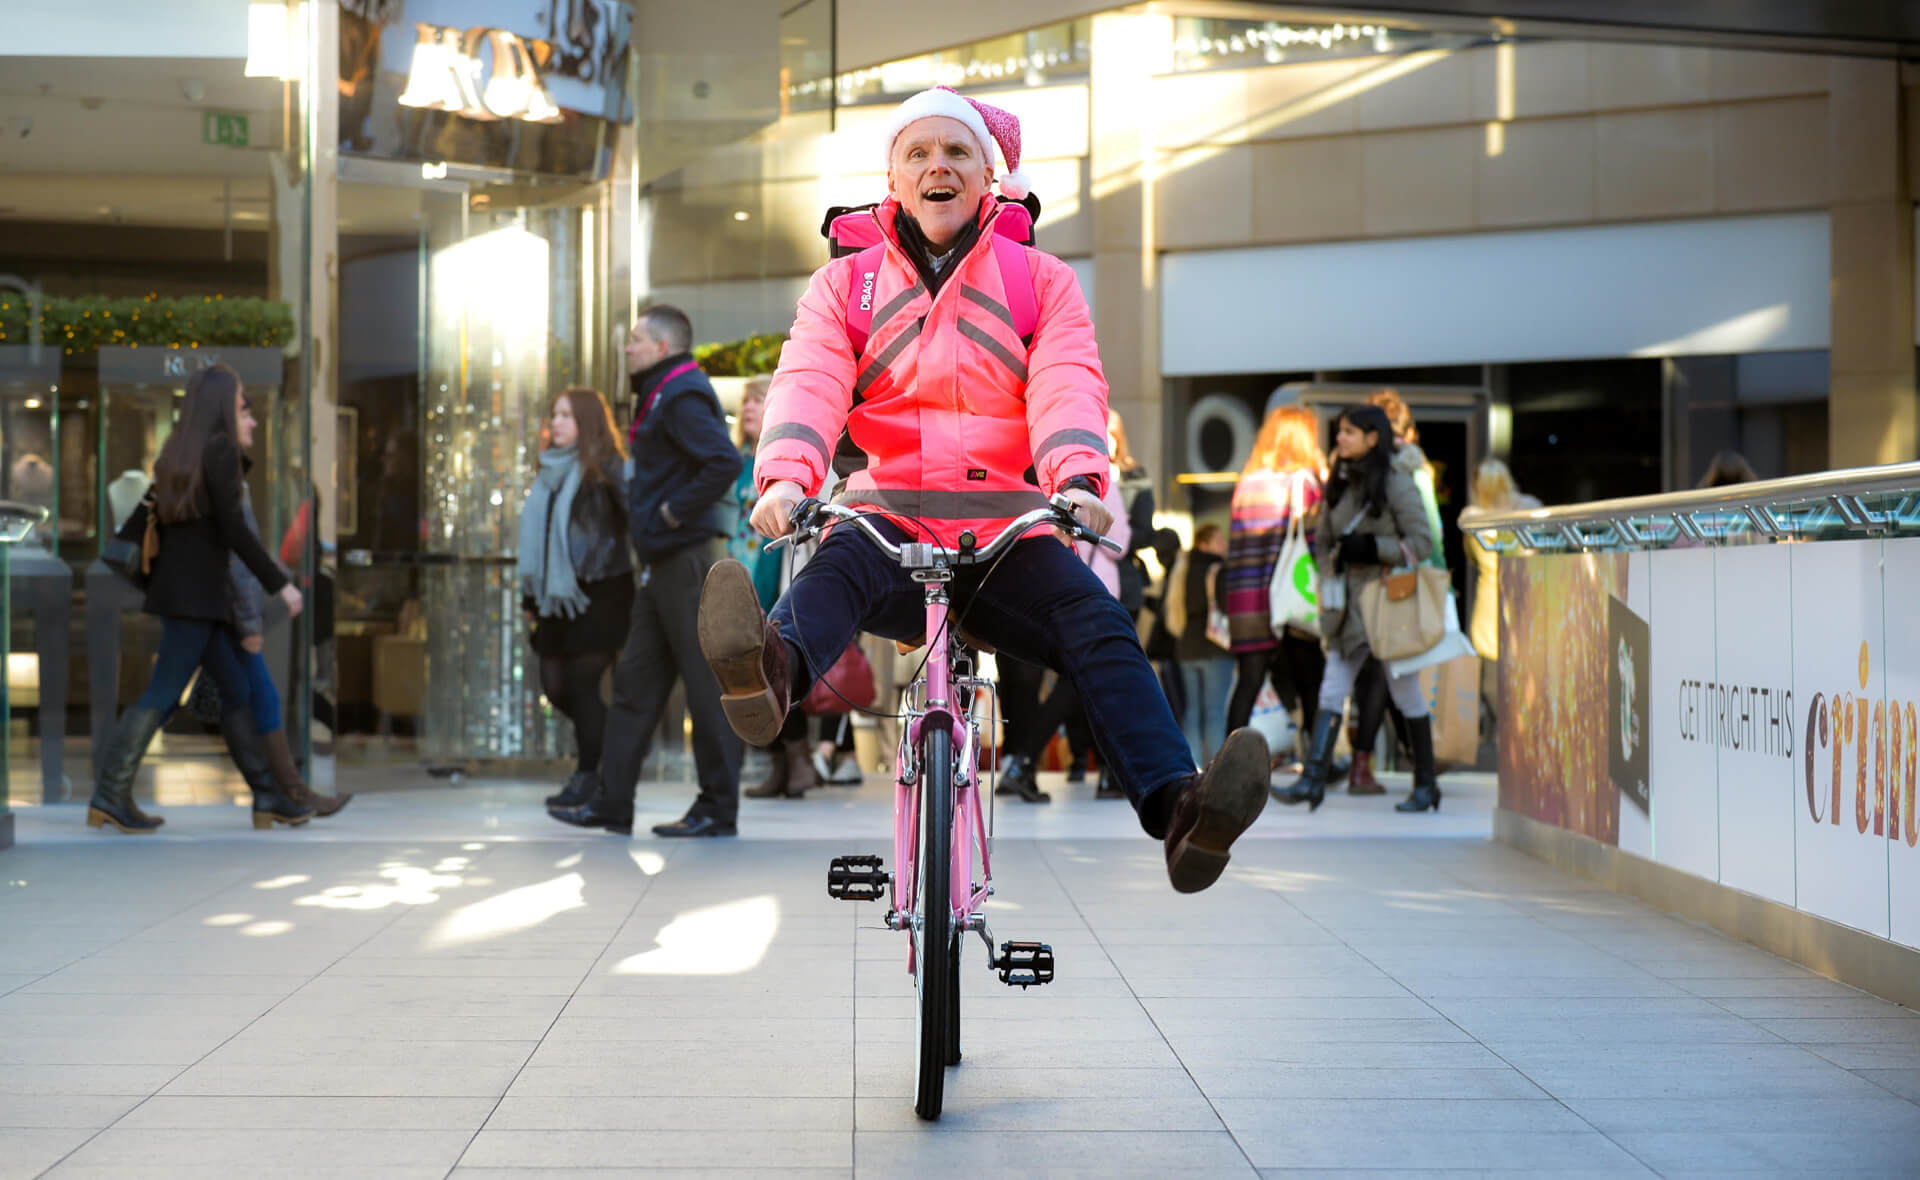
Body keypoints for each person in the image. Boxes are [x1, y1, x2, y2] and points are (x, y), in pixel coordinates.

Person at [694, 86, 1271, 893]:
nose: (939, 166)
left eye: (958, 152)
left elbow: (1067, 381)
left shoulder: (1040, 280)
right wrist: (788, 478)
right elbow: (809, 381)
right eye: (919, 154)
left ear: (988, 177)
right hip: (889, 517)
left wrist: (1079, 479)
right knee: (834, 568)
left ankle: (1183, 814)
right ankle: (768, 676)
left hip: (1006, 533)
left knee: (1098, 626)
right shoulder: (845, 287)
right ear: (891, 181)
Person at [87, 363, 310, 833]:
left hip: (191, 596)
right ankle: (109, 793)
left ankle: (268, 794)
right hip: (197, 599)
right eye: (240, 397)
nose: (245, 405)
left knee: (237, 690)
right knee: (164, 692)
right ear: (222, 402)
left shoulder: (180, 450)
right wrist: (279, 583)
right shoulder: (220, 451)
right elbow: (236, 532)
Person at [550, 307, 745, 838]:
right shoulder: (664, 390)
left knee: (706, 687)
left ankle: (716, 807)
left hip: (686, 560)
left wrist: (672, 511)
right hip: (663, 565)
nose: (627, 347)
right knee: (634, 684)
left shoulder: (681, 393)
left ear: (662, 347)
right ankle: (612, 804)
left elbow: (722, 461)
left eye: (636, 340)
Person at [1279, 405, 1440, 813]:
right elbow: (1324, 540)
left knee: (1405, 694)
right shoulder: (1341, 481)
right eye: (1340, 432)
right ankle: (1313, 779)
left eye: (1349, 432)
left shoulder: (1397, 483)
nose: (1340, 439)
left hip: (1388, 607)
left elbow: (1422, 542)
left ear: (1373, 437)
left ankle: (1426, 784)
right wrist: (1329, 570)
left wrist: (1373, 549)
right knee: (1333, 690)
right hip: (1347, 608)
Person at [523, 388, 635, 813]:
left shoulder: (608, 468)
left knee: (582, 686)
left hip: (602, 590)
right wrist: (528, 595)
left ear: (587, 421)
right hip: (557, 597)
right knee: (555, 687)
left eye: (568, 415)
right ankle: (612, 751)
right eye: (555, 414)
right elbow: (538, 540)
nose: (558, 423)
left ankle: (589, 775)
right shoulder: (548, 471)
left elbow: (634, 521)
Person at [1344, 389, 1447, 794]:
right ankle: (1416, 774)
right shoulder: (1392, 470)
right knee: (1386, 679)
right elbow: (1430, 538)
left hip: (1392, 591)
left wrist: (1376, 550)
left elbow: (1424, 537)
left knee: (1388, 679)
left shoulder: (1399, 472)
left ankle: (1408, 773)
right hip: (1385, 593)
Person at [1222, 407, 1329, 768]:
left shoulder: (1247, 483)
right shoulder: (1302, 482)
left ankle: (1228, 764)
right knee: (1310, 679)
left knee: (1248, 680)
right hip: (1289, 596)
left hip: (1247, 597)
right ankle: (1317, 763)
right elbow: (1312, 542)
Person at [733, 375, 822, 800]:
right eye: (745, 402)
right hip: (747, 571)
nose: (749, 408)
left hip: (783, 567)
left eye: (757, 400)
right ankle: (782, 765)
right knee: (754, 667)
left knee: (778, 660)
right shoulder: (739, 461)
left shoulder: (796, 460)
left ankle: (798, 762)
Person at [1457, 458, 1539, 665]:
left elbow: (1471, 556)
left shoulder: (1474, 518)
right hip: (1525, 591)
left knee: (1493, 668)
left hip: (1493, 596)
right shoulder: (1530, 510)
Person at [1175, 523, 1234, 765]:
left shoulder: (1183, 569)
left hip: (1186, 647)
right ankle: (1216, 770)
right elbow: (1227, 607)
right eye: (1219, 540)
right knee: (1214, 712)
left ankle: (1193, 769)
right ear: (1204, 544)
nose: (1224, 545)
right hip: (1214, 647)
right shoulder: (1218, 569)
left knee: (1191, 712)